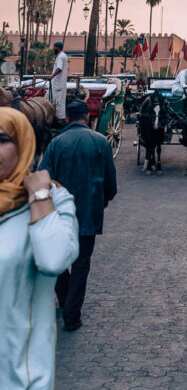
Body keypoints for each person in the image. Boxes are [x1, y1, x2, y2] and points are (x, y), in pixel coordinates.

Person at [0, 107, 79, 390]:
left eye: (2, 139)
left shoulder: (54, 199)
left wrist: (39, 197)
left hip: (19, 378)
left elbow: (54, 260)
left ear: (23, 144)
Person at [40, 99, 117, 330]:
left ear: (67, 118)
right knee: (81, 265)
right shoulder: (100, 142)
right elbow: (111, 183)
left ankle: (65, 301)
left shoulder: (56, 143)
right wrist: (104, 199)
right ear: (86, 117)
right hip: (88, 213)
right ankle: (72, 316)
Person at [50, 40, 68, 125]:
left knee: (58, 102)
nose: (53, 48)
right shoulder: (61, 56)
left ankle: (59, 121)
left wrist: (52, 76)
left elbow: (59, 68)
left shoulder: (61, 56)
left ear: (57, 47)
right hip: (57, 84)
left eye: (54, 47)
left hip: (58, 85)